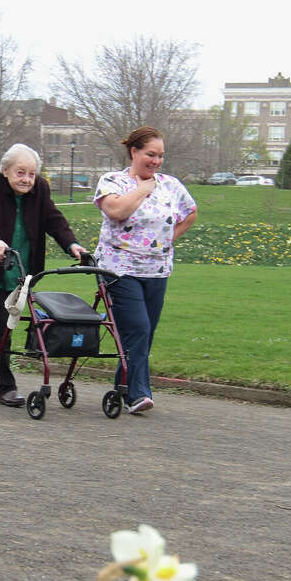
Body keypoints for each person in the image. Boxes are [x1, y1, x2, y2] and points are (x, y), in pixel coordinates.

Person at [0, 143, 87, 407]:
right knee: (1, 328)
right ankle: (7, 386)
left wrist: (72, 244)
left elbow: (54, 219)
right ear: (5, 170)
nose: (27, 179)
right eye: (20, 172)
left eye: (31, 173)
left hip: (22, 271)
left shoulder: (41, 189)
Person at [93, 126, 197, 414]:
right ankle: (137, 394)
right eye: (151, 154)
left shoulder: (171, 185)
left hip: (157, 269)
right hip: (118, 268)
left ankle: (123, 387)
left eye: (161, 156)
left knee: (143, 334)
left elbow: (190, 213)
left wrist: (167, 240)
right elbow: (116, 211)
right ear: (134, 152)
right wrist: (141, 190)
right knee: (138, 328)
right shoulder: (112, 181)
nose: (156, 161)